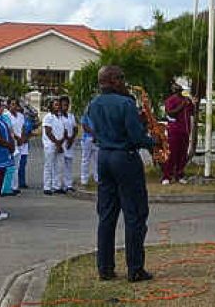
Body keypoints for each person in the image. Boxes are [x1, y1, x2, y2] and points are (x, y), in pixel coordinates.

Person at [87, 65, 155, 283]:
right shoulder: (126, 103)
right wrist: (154, 141)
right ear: (114, 80)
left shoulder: (94, 104)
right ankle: (135, 269)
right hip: (124, 158)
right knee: (134, 214)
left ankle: (105, 268)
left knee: (106, 215)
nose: (125, 82)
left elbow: (101, 129)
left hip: (104, 157)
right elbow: (136, 137)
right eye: (122, 79)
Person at [162, 83, 194, 185]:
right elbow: (170, 113)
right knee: (172, 154)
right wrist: (182, 105)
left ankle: (180, 175)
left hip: (185, 131)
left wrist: (193, 103)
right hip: (174, 131)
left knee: (182, 155)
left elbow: (192, 112)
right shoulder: (170, 100)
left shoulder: (186, 99)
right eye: (175, 87)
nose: (177, 89)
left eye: (179, 87)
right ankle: (167, 176)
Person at [42, 99, 67, 195]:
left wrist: (60, 143)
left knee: (59, 166)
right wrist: (57, 144)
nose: (58, 106)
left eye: (58, 105)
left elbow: (64, 131)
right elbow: (48, 132)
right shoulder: (48, 117)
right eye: (56, 105)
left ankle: (57, 186)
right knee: (49, 166)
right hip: (50, 145)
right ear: (51, 106)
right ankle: (47, 187)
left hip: (60, 144)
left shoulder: (60, 117)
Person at [7, 98, 30, 192]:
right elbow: (9, 130)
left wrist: (23, 138)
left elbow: (23, 127)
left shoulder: (20, 115)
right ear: (8, 105)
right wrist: (18, 138)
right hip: (12, 142)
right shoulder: (6, 116)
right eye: (12, 104)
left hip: (20, 143)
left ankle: (15, 187)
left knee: (17, 165)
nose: (14, 106)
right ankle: (9, 187)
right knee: (10, 165)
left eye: (15, 104)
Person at [58, 96, 77, 192]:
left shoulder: (71, 116)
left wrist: (71, 139)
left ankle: (68, 185)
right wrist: (67, 139)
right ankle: (58, 185)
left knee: (69, 164)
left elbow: (75, 129)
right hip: (62, 143)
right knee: (61, 164)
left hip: (70, 143)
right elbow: (62, 130)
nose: (65, 106)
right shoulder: (59, 117)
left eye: (67, 105)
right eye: (63, 105)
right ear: (60, 106)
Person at [79, 111, 98, 187]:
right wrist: (93, 134)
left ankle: (97, 179)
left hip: (97, 139)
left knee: (97, 160)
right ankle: (84, 180)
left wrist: (96, 136)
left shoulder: (98, 114)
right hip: (87, 139)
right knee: (85, 160)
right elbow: (84, 126)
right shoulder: (85, 115)